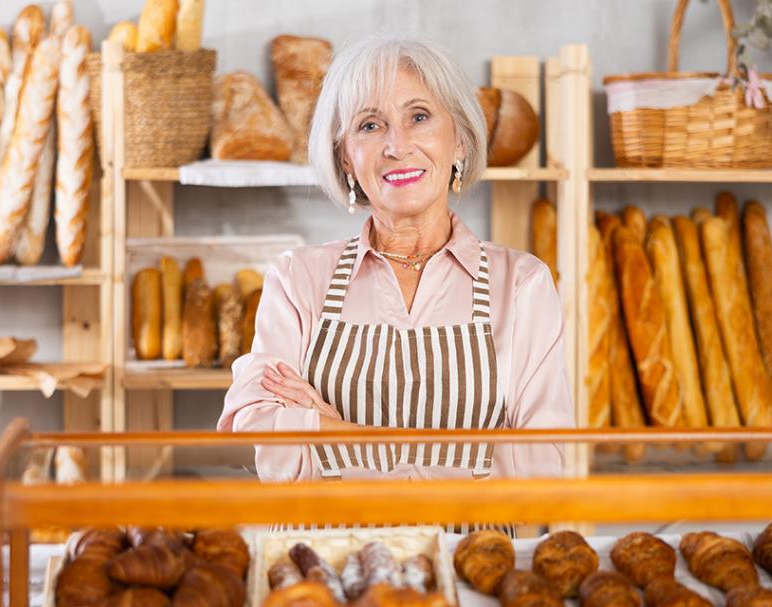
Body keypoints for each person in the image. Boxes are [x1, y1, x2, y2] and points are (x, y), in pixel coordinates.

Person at [218, 35, 573, 483]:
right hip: (323, 551)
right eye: (370, 125)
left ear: (459, 141)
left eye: (419, 117)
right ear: (346, 158)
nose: (396, 145)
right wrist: (470, 456)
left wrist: (335, 433)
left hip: (466, 552)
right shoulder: (297, 278)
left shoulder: (522, 285)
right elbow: (255, 436)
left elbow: (542, 465)